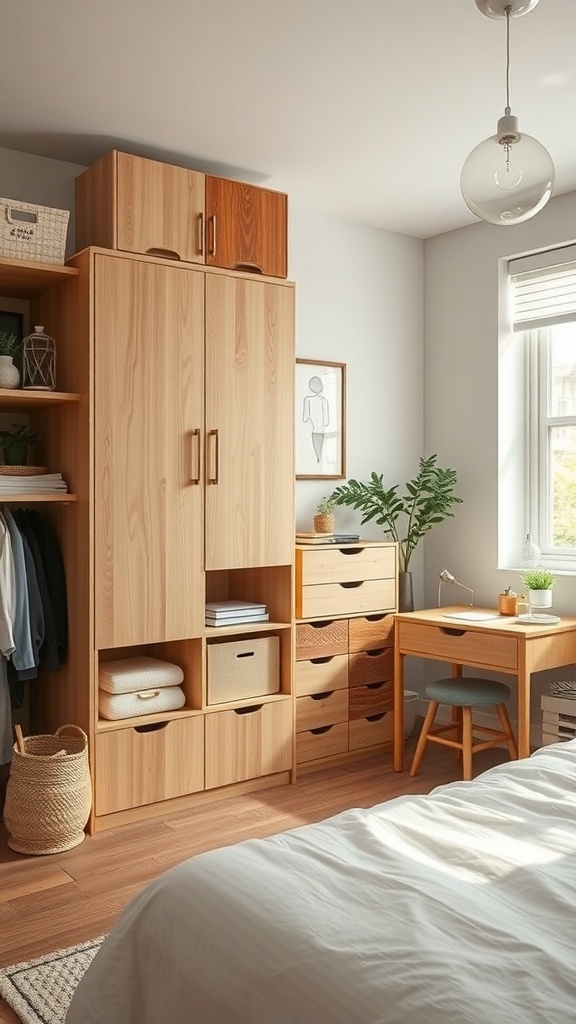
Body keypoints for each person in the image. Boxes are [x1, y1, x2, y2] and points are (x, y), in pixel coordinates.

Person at [302, 375, 329, 463]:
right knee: (321, 454)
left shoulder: (308, 400)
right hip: (323, 431)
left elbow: (305, 418)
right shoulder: (324, 401)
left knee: (317, 455)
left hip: (314, 431)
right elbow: (327, 421)